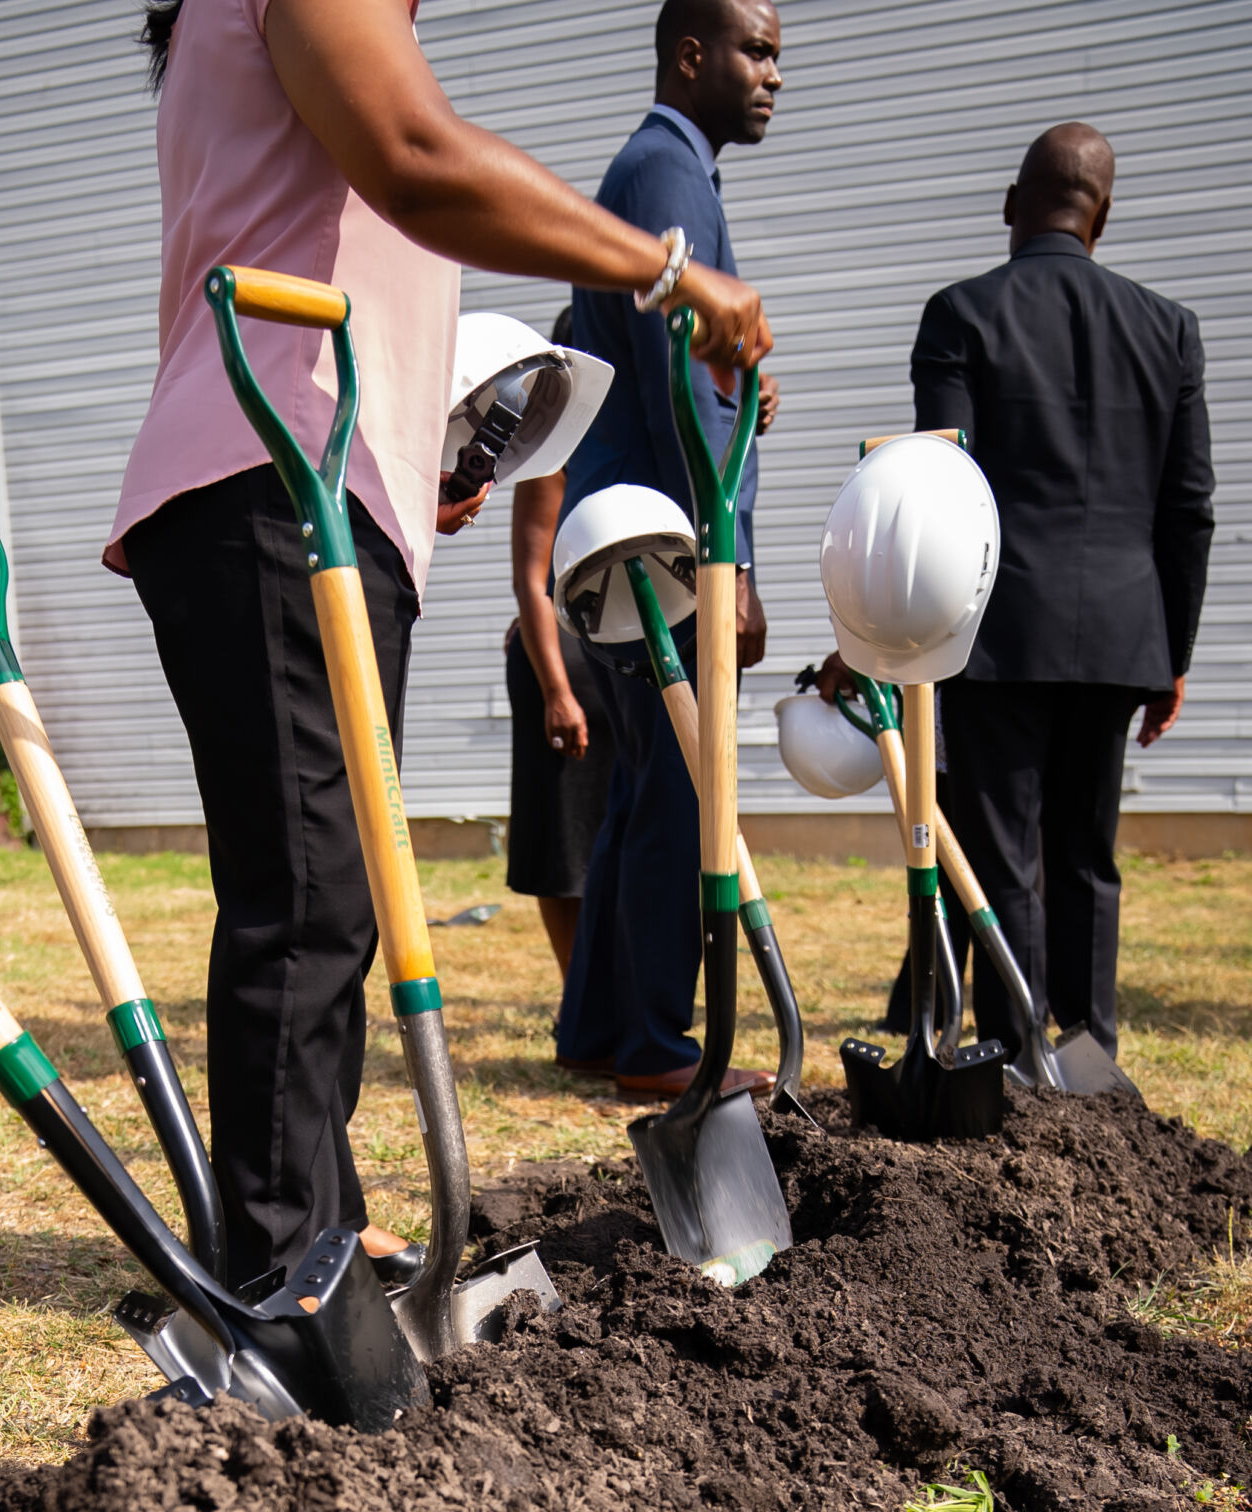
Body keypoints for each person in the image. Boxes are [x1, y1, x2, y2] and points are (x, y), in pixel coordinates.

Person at [109, 0, 771, 1292]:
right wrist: (671, 272)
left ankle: (320, 1225)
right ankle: (277, 1274)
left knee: (329, 893)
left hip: (306, 475)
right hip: (272, 471)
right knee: (306, 900)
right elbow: (413, 154)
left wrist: (420, 464)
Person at [831, 123, 1215, 1060]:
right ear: (1104, 215)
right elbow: (1189, 507)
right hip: (1127, 631)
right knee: (1088, 854)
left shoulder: (961, 316)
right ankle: (1090, 1059)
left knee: (1006, 856)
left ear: (1012, 203)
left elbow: (940, 485)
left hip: (997, 633)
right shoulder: (1169, 328)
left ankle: (1016, 1058)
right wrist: (1173, 656)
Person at [554, 0, 784, 1099]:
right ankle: (658, 1045)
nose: (773, 73)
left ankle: (601, 1026)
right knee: (688, 791)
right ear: (691, 55)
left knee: (648, 785)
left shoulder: (663, 172)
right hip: (663, 540)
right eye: (756, 49)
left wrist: (741, 387)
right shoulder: (667, 177)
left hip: (631, 529)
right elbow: (672, 382)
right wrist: (724, 560)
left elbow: (703, 374)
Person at [503, 313, 616, 983]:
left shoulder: (641, 441)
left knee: (613, 831)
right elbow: (531, 575)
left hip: (621, 655)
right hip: (562, 661)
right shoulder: (552, 447)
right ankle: (577, 991)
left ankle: (606, 991)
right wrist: (555, 691)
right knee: (562, 840)